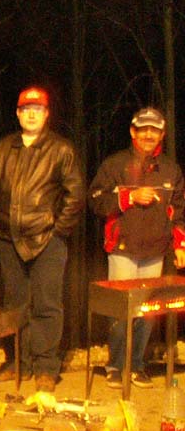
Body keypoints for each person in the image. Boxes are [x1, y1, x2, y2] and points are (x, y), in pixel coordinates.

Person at [0, 86, 85, 393]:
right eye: (26, 109)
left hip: (47, 240)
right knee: (14, 305)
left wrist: (57, 230)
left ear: (46, 114)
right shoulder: (3, 148)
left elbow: (75, 194)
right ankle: (18, 362)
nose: (31, 114)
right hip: (9, 238)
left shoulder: (61, 149)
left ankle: (45, 367)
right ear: (17, 114)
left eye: (37, 109)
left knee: (47, 305)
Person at [88, 107, 185, 389]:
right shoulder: (115, 164)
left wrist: (180, 244)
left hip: (155, 251)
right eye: (143, 130)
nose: (148, 135)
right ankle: (116, 365)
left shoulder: (171, 169)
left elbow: (179, 212)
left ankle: (137, 365)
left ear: (162, 135)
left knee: (147, 311)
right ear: (133, 132)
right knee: (121, 310)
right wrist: (129, 197)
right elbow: (95, 200)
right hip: (123, 248)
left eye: (154, 130)